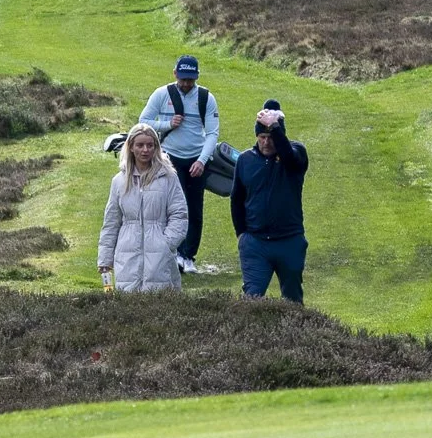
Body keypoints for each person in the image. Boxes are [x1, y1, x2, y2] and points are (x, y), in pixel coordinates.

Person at [137, 54, 219, 273]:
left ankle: (188, 256)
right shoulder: (162, 94)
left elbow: (212, 133)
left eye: (190, 80)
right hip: (170, 158)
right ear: (175, 74)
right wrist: (167, 124)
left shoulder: (206, 98)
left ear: (197, 77)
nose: (185, 84)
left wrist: (202, 160)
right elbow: (143, 122)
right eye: (182, 79)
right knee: (173, 207)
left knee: (194, 208)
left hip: (197, 160)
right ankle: (173, 253)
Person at [230, 99, 310, 304]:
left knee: (292, 300)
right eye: (262, 137)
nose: (266, 142)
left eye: (271, 137)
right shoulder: (246, 160)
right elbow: (237, 198)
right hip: (255, 243)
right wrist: (241, 234)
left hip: (289, 241)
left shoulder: (296, 153)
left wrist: (275, 128)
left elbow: (289, 157)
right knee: (251, 300)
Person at [97, 123, 190, 293]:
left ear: (156, 147)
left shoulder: (168, 177)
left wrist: (165, 243)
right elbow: (111, 222)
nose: (145, 150)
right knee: (128, 311)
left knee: (161, 309)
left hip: (160, 260)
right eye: (140, 145)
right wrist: (105, 260)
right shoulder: (119, 181)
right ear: (131, 147)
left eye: (150, 145)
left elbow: (179, 215)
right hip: (127, 258)